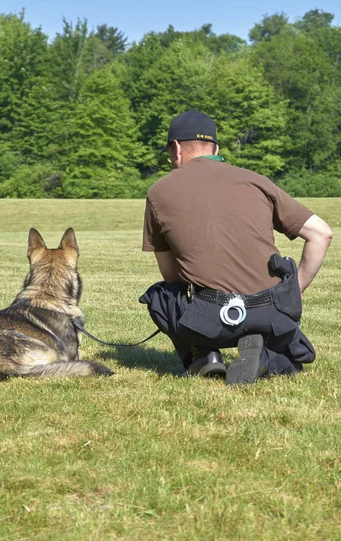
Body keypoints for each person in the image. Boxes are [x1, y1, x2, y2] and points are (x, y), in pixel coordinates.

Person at [139, 109, 333, 384]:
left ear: (177, 148)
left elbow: (171, 277)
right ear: (216, 148)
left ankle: (203, 356)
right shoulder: (256, 180)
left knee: (161, 296)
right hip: (269, 313)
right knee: (287, 351)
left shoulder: (159, 192)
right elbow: (321, 234)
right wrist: (293, 292)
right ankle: (264, 356)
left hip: (209, 318)